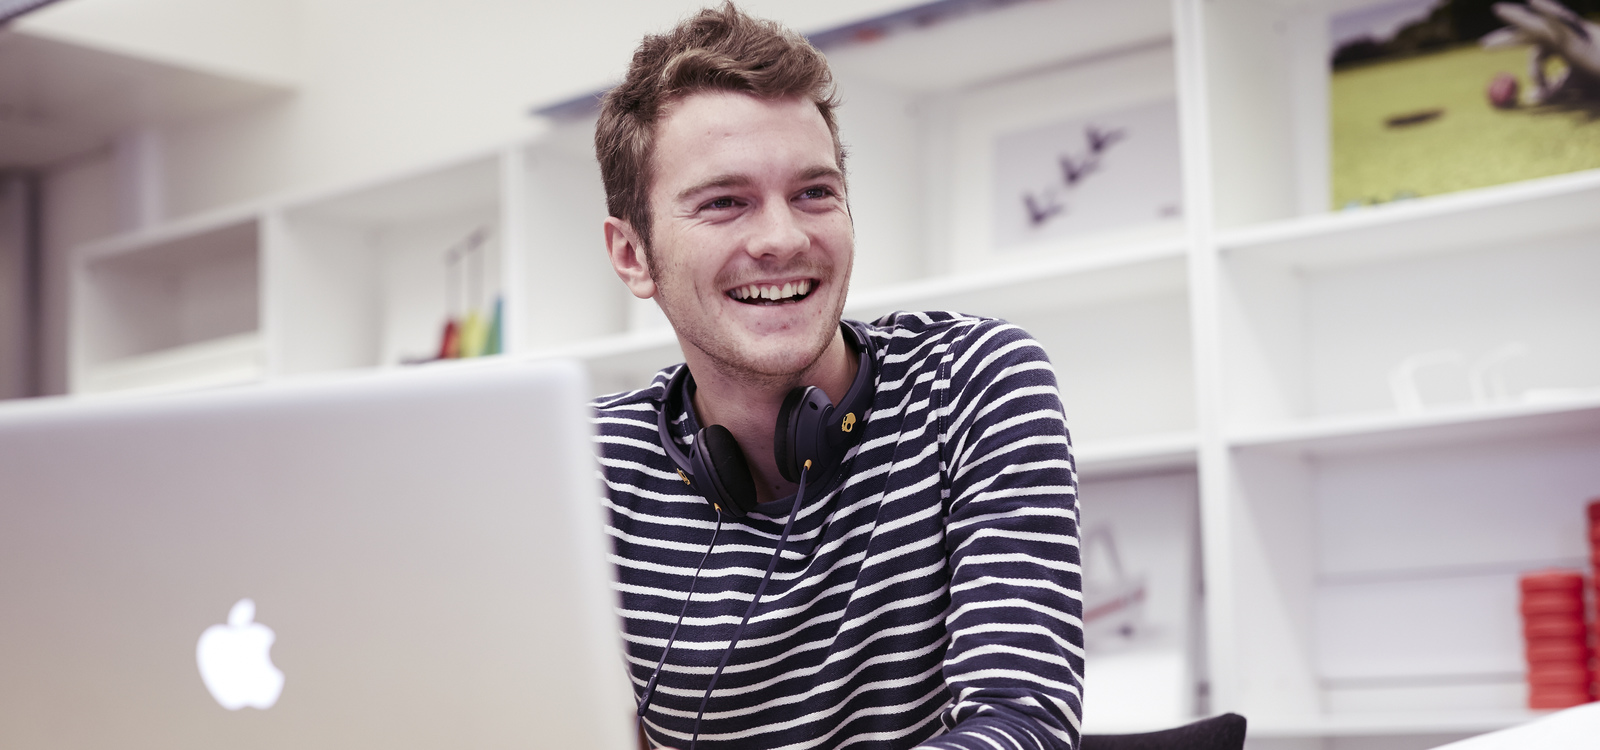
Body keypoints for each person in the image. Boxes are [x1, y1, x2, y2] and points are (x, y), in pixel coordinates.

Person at [590, 5, 1084, 749]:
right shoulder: (585, 466)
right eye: (726, 203)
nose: (784, 238)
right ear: (633, 256)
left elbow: (1021, 727)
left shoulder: (975, 383)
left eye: (815, 193)